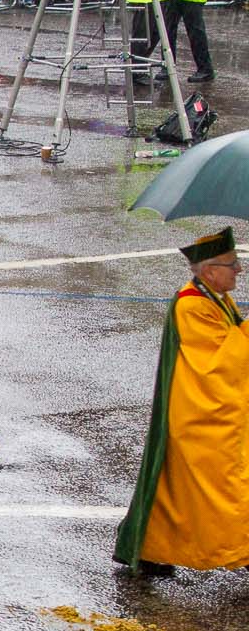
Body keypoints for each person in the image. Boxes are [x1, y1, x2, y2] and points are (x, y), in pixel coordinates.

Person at [113, 227, 249, 574]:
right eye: (232, 264)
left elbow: (233, 337)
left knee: (179, 492)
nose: (239, 270)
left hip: (201, 410)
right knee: (219, 488)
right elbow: (222, 363)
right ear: (209, 270)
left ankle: (153, 551)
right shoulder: (192, 305)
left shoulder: (215, 297)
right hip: (201, 415)